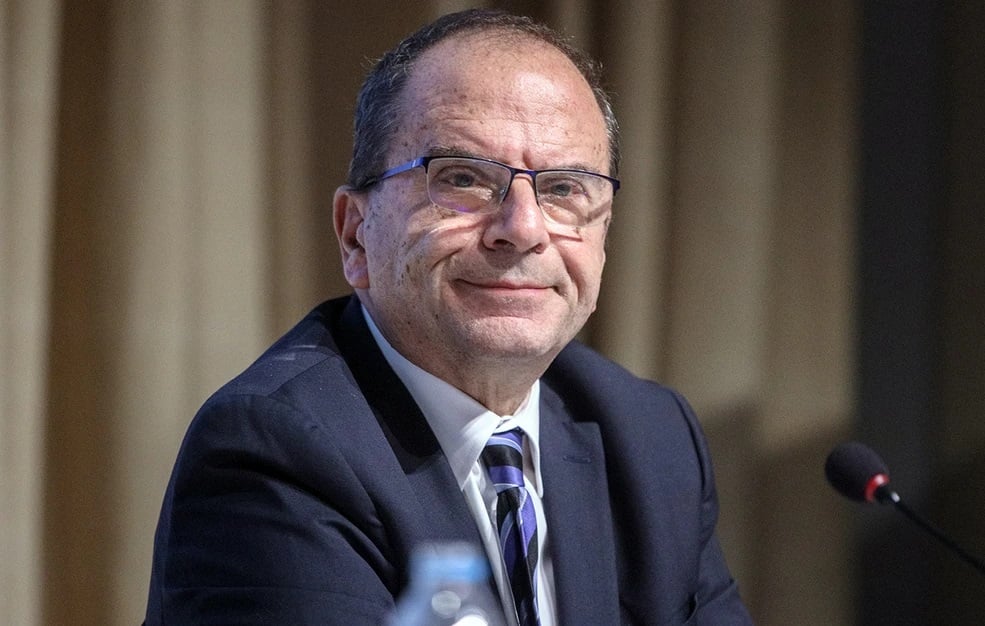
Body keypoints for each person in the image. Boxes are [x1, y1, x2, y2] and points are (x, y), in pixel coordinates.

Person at [145, 8, 752, 625]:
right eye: (463, 179)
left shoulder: (651, 438)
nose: (523, 229)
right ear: (356, 235)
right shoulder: (274, 451)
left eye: (564, 188)